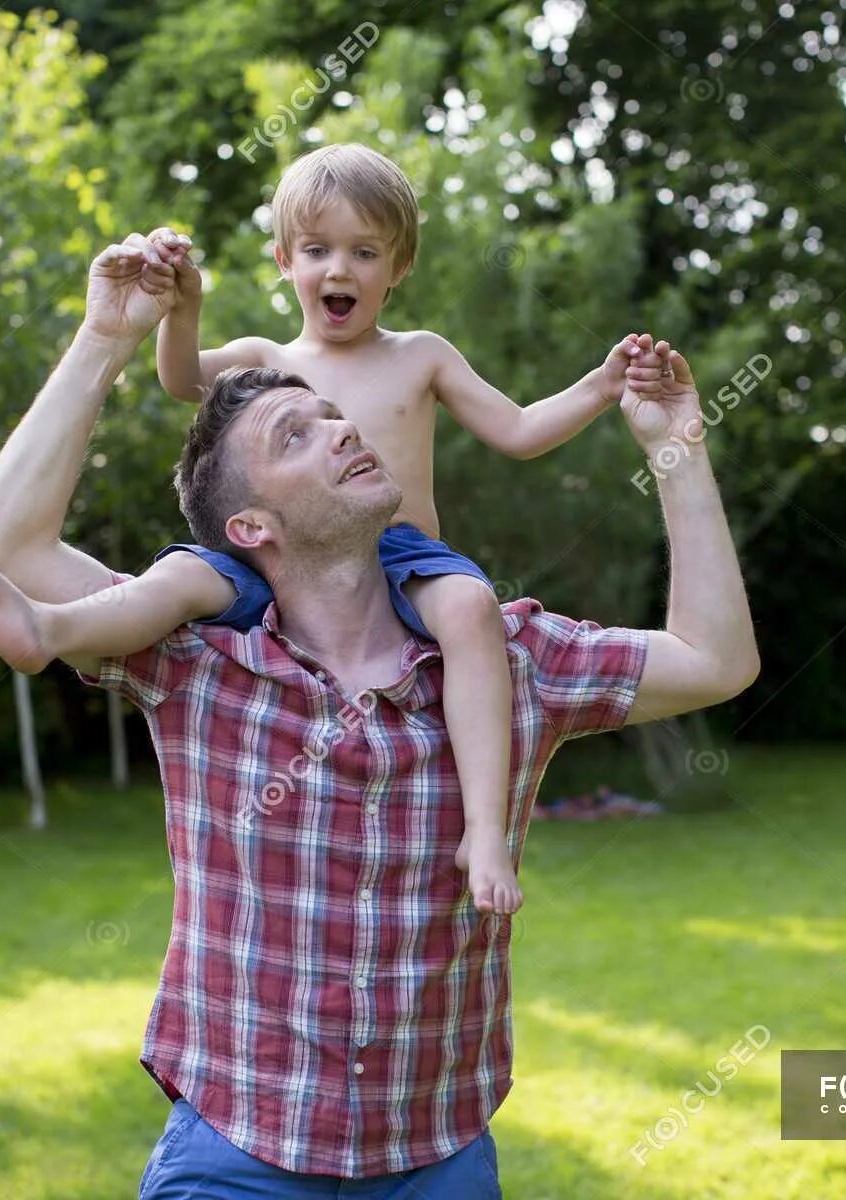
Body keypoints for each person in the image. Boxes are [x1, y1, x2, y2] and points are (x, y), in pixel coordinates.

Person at [0, 230, 759, 1195]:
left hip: (436, 1159)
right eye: (294, 434)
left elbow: (716, 662)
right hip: (233, 1151)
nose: (340, 426)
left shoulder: (497, 659)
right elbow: (2, 551)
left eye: (331, 414)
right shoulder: (197, 654)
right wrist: (105, 336)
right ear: (253, 530)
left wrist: (676, 448)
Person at [136, 144, 644, 915]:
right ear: (283, 260)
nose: (339, 269)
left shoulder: (421, 356)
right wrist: (184, 304)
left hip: (402, 557)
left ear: (398, 266)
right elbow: (179, 379)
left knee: (472, 609)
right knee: (179, 578)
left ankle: (483, 828)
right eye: (317, 250)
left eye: (364, 252)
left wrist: (601, 386)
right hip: (288, 558)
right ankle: (52, 624)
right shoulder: (266, 362)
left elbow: (520, 429)